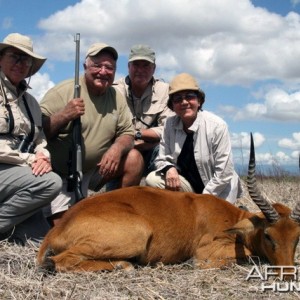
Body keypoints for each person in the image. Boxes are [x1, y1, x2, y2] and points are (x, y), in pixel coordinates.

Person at [40, 42, 143, 225]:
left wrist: (117, 149)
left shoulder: (115, 96)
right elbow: (37, 131)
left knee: (134, 159)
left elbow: (127, 132)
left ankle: (115, 215)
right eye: (97, 65)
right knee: (66, 229)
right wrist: (64, 115)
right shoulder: (62, 91)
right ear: (85, 66)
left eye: (109, 67)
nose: (103, 72)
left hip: (94, 170)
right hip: (60, 174)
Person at [0, 33, 62, 245]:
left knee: (41, 244)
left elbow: (40, 139)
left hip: (20, 174)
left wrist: (43, 155)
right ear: (1, 58)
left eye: (26, 59)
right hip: (9, 168)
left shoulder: (32, 102)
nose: (21, 63)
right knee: (51, 182)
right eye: (15, 56)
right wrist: (29, 161)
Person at [145, 73, 242, 203]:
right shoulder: (169, 124)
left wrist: (203, 200)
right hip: (189, 190)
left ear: (199, 101)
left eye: (189, 96)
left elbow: (224, 173)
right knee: (152, 179)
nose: (184, 102)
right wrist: (169, 168)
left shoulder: (217, 126)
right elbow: (161, 158)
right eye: (178, 99)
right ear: (172, 106)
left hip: (217, 191)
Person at [114, 44, 174, 176]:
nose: (140, 70)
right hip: (124, 150)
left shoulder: (165, 91)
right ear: (128, 66)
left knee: (168, 149)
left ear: (154, 68)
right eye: (136, 64)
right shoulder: (114, 91)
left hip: (153, 149)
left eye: (146, 65)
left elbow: (168, 129)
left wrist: (136, 135)